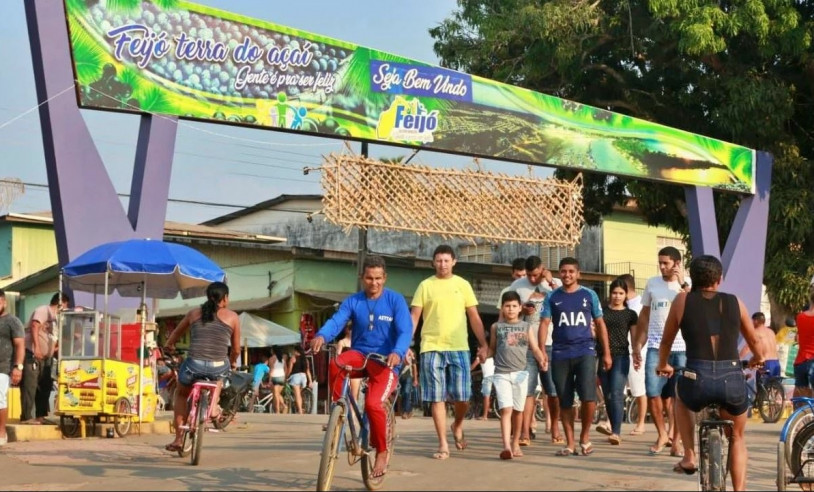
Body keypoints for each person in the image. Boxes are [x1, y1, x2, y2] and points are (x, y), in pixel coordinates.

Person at [655, 255, 764, 491]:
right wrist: (758, 359)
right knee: (737, 437)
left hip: (697, 379)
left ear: (693, 278)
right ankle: (739, 489)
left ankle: (689, 455)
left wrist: (663, 364)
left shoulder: (682, 300)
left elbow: (666, 342)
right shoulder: (735, 301)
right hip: (731, 378)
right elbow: (754, 339)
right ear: (719, 279)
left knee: (681, 399)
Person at [310, 255, 412, 478]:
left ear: (384, 278)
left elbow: (406, 331)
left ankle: (382, 451)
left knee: (374, 405)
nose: (373, 283)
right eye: (368, 278)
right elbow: (337, 321)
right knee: (337, 363)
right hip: (359, 354)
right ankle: (338, 412)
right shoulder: (353, 301)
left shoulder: (396, 301)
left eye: (377, 278)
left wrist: (398, 352)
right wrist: (321, 335)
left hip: (385, 361)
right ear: (362, 277)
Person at [411, 245, 489, 461]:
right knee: (436, 398)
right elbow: (415, 317)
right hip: (431, 346)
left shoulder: (462, 285)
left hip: (459, 347)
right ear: (433, 262)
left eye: (446, 260)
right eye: (438, 260)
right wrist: (407, 344)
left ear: (454, 261)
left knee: (462, 397)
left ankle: (457, 424)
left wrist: (483, 344)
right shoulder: (425, 286)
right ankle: (443, 444)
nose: (442, 264)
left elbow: (473, 316)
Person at [539, 257, 611, 457]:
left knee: (589, 397)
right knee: (564, 399)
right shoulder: (552, 297)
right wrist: (542, 350)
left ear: (578, 273)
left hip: (585, 351)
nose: (567, 275)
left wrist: (606, 352)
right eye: (563, 271)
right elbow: (544, 323)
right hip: (560, 353)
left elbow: (600, 323)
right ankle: (570, 443)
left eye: (571, 271)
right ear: (559, 273)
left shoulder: (589, 295)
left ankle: (585, 438)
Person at [163, 281, 240, 452]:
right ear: (225, 298)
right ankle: (212, 408)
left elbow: (176, 334)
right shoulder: (233, 317)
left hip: (193, 366)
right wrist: (233, 362)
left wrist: (168, 346)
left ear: (208, 296)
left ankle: (178, 439)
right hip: (218, 367)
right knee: (221, 374)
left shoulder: (193, 313)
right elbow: (235, 349)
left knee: (181, 395)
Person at [632, 246, 687, 456]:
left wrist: (682, 284)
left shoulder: (686, 285)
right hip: (656, 346)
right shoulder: (652, 284)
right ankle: (662, 434)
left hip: (682, 348)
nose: (662, 267)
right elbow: (644, 316)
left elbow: (694, 307)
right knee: (653, 392)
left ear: (676, 263)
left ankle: (676, 440)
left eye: (666, 263)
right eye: (660, 263)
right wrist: (638, 345)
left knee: (680, 397)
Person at [504, 255, 563, 445]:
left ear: (543, 269)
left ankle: (555, 427)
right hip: (525, 345)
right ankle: (525, 432)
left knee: (552, 390)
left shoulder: (555, 283)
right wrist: (522, 310)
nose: (531, 279)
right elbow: (508, 311)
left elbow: (563, 302)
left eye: (535, 274)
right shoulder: (517, 286)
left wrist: (550, 281)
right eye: (529, 275)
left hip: (552, 343)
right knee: (526, 390)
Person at [490, 290, 544, 460]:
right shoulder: (496, 327)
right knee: (506, 409)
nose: (511, 309)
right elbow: (492, 348)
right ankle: (506, 446)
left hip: (521, 374)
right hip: (501, 374)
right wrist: (484, 354)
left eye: (514, 306)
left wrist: (542, 359)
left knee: (518, 411)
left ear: (520, 308)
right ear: (502, 308)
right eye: (507, 306)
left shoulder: (526, 327)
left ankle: (515, 443)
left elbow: (534, 348)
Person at [595, 278, 638, 446]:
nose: (617, 296)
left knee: (616, 393)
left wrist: (636, 353)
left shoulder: (630, 314)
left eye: (621, 293)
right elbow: (596, 332)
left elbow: (634, 338)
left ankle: (616, 432)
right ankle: (613, 428)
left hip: (621, 356)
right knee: (608, 395)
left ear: (626, 295)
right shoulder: (602, 313)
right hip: (603, 356)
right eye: (614, 293)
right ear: (610, 293)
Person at [21, 292, 69, 424]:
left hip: (46, 358)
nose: (64, 310)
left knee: (45, 386)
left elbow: (52, 339)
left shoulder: (56, 321)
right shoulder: (43, 310)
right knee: (30, 386)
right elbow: (35, 325)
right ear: (60, 303)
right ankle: (26, 417)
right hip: (32, 354)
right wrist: (36, 347)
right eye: (64, 306)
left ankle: (40, 416)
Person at [618, 273, 647, 436]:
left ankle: (641, 423)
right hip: (620, 351)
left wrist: (638, 350)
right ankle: (611, 422)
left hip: (638, 352)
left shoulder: (641, 305)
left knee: (638, 389)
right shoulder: (622, 305)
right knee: (616, 389)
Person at [0, 289, 24, 446]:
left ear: (4, 302)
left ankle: (1, 434)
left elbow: (20, 345)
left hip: (3, 367)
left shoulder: (12, 321)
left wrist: (18, 367)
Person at [793, 289, 814, 399]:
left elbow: (798, 337)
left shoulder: (800, 317)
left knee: (801, 397)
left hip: (800, 361)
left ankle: (799, 415)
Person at [286, 345, 312, 414]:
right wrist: (310, 381)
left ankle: (300, 410)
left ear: (296, 351)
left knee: (297, 394)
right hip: (304, 377)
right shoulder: (305, 360)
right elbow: (308, 371)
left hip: (295, 377)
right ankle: (302, 407)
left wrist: (286, 377)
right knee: (300, 394)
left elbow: (289, 370)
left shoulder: (293, 358)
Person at [399, 345, 419, 419]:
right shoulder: (398, 348)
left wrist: (415, 379)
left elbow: (414, 366)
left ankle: (406, 412)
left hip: (408, 376)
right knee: (401, 394)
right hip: (398, 375)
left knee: (406, 392)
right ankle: (408, 410)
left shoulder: (412, 351)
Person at [269, 347, 287, 414]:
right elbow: (285, 368)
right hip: (282, 377)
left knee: (276, 395)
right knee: (277, 394)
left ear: (273, 351)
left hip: (275, 377)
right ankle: (283, 406)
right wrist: (284, 377)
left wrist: (270, 380)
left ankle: (278, 410)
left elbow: (272, 369)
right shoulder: (282, 359)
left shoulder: (272, 358)